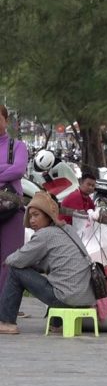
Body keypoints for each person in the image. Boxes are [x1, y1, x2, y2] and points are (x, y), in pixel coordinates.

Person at [0, 192, 96, 334]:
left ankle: (7, 322)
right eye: (30, 216)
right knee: (60, 280)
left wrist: (6, 260)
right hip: (85, 299)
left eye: (36, 215)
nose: (32, 220)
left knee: (15, 270)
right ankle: (57, 324)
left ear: (48, 216)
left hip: (66, 298)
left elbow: (18, 259)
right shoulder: (68, 230)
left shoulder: (45, 234)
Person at [0, 104, 28, 299]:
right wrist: (5, 168)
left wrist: (8, 169)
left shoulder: (18, 146)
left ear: (6, 120)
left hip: (13, 210)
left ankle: (4, 305)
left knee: (11, 259)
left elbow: (18, 170)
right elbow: (12, 169)